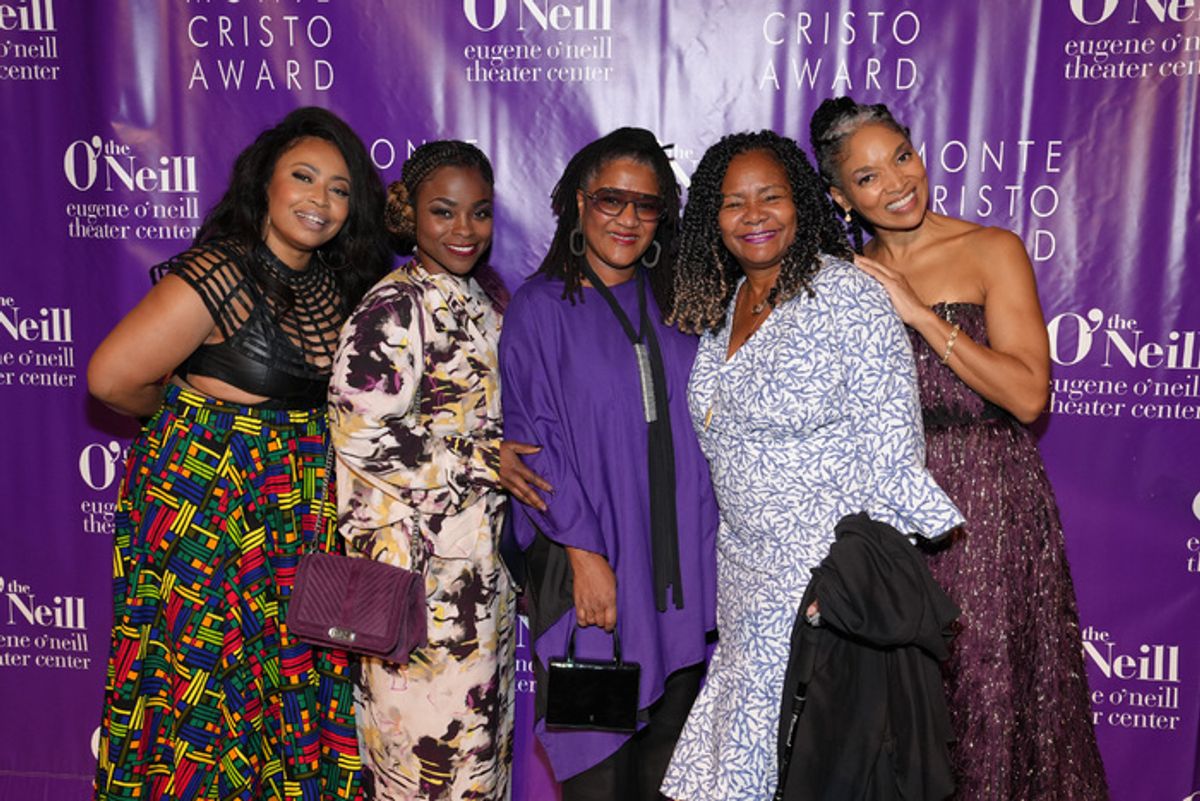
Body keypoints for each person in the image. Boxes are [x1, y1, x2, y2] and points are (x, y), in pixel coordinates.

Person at [808, 96, 1109, 800]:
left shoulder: (990, 249)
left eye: (902, 158)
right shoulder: (841, 278)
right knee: (903, 716)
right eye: (868, 177)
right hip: (889, 523)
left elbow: (1028, 395)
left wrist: (917, 313)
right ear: (840, 196)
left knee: (989, 699)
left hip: (987, 511)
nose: (897, 183)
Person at [87, 106, 392, 801]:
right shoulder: (218, 271)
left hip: (297, 517)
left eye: (339, 189)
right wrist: (195, 425)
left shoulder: (337, 286)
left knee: (287, 683)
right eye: (303, 177)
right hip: (210, 511)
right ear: (265, 183)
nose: (320, 200)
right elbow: (112, 378)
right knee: (205, 685)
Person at [660, 130, 963, 801]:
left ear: (802, 201)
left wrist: (845, 588)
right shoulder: (727, 305)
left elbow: (893, 451)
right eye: (734, 202)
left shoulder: (847, 296)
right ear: (713, 216)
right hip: (744, 589)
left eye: (771, 196)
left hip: (819, 591)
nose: (754, 215)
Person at [499, 127, 718, 801]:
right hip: (592, 579)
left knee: (665, 782)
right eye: (611, 199)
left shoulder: (681, 303)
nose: (628, 218)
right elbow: (533, 447)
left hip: (680, 581)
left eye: (646, 204)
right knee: (599, 781)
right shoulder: (540, 308)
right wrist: (586, 557)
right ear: (579, 202)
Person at [328, 140, 526, 801]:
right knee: (425, 769)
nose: (464, 229)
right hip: (417, 587)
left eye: (479, 212)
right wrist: (481, 459)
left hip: (479, 575)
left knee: (476, 767)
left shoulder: (481, 299)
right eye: (444, 211)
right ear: (408, 213)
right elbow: (361, 429)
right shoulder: (393, 306)